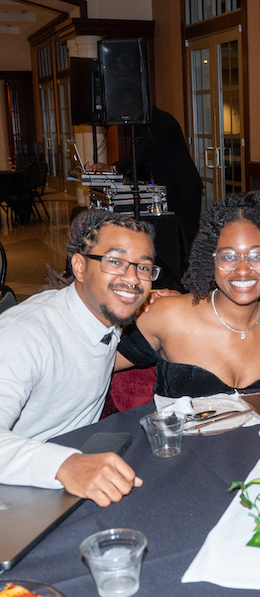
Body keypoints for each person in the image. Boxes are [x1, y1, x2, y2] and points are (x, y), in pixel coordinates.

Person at [0, 209, 156, 506]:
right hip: (18, 488)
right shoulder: (25, 335)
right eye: (115, 262)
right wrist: (64, 464)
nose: (132, 279)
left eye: (143, 268)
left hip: (73, 475)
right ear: (80, 266)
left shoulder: (106, 315)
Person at [116, 192, 260, 396]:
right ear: (210, 262)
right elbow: (91, 365)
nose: (243, 269)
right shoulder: (168, 315)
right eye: (228, 256)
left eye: (257, 256)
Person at [88, 106, 204, 245]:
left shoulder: (162, 121)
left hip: (183, 188)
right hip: (169, 188)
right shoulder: (144, 124)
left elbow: (144, 152)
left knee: (185, 239)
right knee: (169, 238)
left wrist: (114, 168)